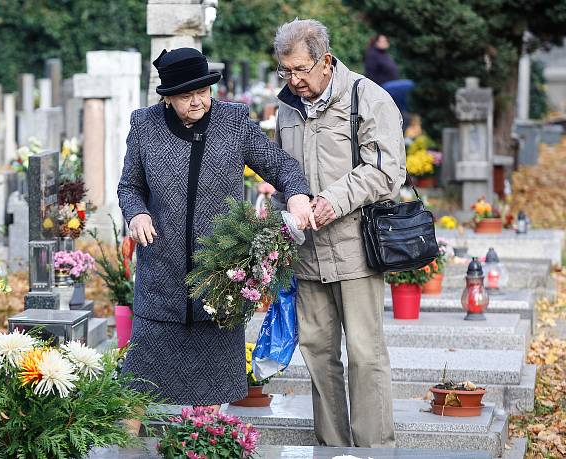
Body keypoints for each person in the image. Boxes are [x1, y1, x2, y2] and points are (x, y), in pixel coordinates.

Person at [117, 47, 314, 424]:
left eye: (204, 91)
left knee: (211, 385)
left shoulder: (234, 121)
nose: (199, 101)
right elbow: (129, 185)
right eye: (187, 95)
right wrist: (137, 212)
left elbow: (280, 166)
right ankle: (126, 448)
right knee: (138, 382)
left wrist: (299, 194)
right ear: (169, 97)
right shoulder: (144, 125)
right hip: (162, 276)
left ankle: (203, 442)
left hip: (220, 278)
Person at [272, 19, 406, 447]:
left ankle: (374, 451)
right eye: (285, 71)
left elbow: (388, 171)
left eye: (301, 70)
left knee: (365, 357)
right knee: (318, 356)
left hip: (356, 252)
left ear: (326, 62)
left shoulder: (369, 99)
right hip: (307, 255)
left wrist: (334, 199)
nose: (293, 81)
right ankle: (332, 451)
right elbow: (284, 173)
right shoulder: (287, 108)